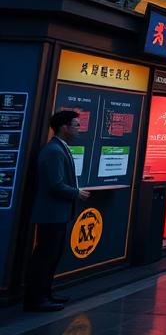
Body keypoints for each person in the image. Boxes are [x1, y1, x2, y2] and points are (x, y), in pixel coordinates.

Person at [24, 110, 90, 312]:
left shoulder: (61, 148)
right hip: (51, 213)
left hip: (59, 213)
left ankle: (46, 293)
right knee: (45, 255)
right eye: (76, 125)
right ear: (64, 127)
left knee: (53, 255)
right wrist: (76, 192)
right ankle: (37, 298)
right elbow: (55, 184)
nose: (79, 129)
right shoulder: (53, 151)